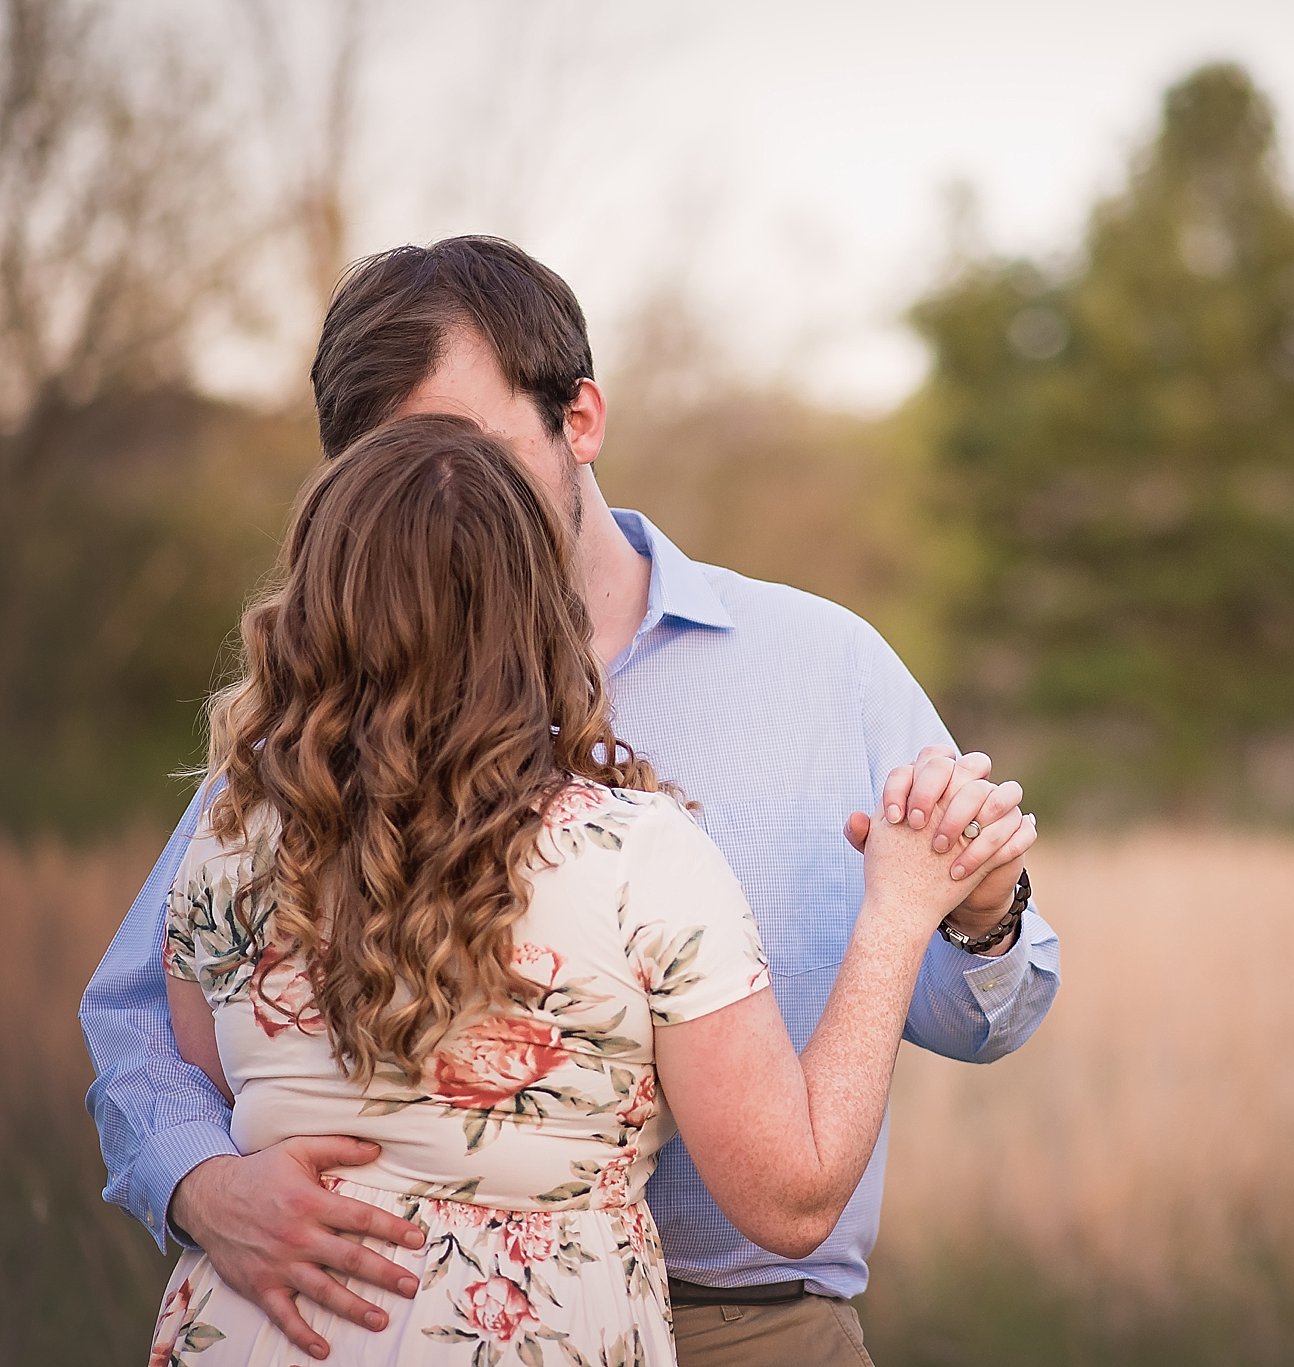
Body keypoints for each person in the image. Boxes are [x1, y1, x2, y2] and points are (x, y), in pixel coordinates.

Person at [82, 236, 1062, 1366]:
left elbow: (983, 1006)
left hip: (753, 1327)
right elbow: (141, 1016)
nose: (429, 500)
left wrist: (975, 913)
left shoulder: (824, 665)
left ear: (579, 419)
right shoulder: (291, 752)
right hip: (354, 1307)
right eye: (382, 467)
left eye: (466, 449)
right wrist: (201, 1184)